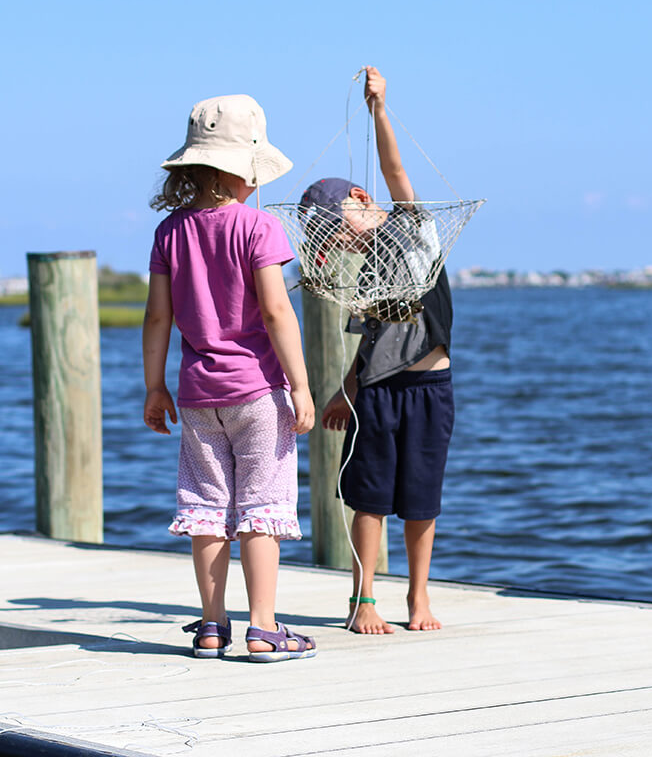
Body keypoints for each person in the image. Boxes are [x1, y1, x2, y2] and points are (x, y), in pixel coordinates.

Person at [143, 93, 317, 661]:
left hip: (196, 394)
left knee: (206, 508)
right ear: (245, 168)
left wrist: (153, 385)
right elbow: (275, 312)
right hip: (259, 392)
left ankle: (213, 626)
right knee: (262, 508)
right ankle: (264, 628)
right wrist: (303, 385)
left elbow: (158, 316)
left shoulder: (170, 233)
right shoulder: (259, 227)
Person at [312, 66, 455, 635]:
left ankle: (419, 599)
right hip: (375, 392)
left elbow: (396, 170)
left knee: (421, 499)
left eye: (335, 226)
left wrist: (378, 110)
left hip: (428, 388)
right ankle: (363, 599)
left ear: (360, 200)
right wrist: (344, 390)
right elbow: (370, 341)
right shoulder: (366, 269)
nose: (335, 240)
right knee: (367, 498)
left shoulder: (413, 227)